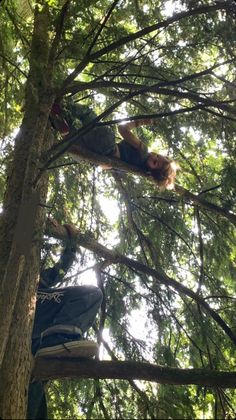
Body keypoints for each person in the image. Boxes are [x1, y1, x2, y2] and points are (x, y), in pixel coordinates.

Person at [27, 224, 103, 419]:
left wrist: (71, 243)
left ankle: (61, 338)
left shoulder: (39, 280)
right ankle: (56, 340)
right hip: (28, 338)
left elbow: (59, 272)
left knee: (91, 293)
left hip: (40, 341)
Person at [50, 100, 178, 189]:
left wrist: (139, 122)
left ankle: (63, 107)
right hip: (95, 158)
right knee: (70, 139)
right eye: (157, 156)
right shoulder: (137, 170)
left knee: (87, 114)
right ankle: (62, 125)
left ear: (152, 170)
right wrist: (98, 163)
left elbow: (122, 129)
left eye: (155, 162)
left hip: (106, 142)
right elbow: (110, 166)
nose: (153, 157)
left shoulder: (143, 151)